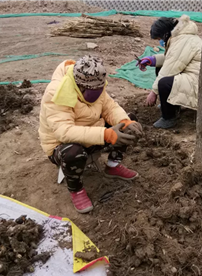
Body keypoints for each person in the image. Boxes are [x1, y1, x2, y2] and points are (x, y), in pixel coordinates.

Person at [39, 56, 143, 213]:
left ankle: (113, 166)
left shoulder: (96, 83)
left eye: (100, 89)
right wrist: (105, 134)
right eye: (94, 91)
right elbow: (64, 132)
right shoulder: (57, 92)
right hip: (61, 145)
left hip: (92, 133)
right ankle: (76, 189)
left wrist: (126, 122)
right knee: (72, 152)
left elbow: (110, 108)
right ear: (80, 86)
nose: (99, 93)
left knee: (127, 125)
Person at [136, 15, 202, 129]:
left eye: (159, 38)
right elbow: (174, 59)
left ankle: (169, 117)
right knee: (161, 68)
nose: (160, 41)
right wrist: (152, 60)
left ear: (165, 33)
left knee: (164, 83)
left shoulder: (183, 40)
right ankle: (171, 105)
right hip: (196, 79)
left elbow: (170, 68)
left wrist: (153, 92)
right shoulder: (182, 37)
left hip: (200, 86)